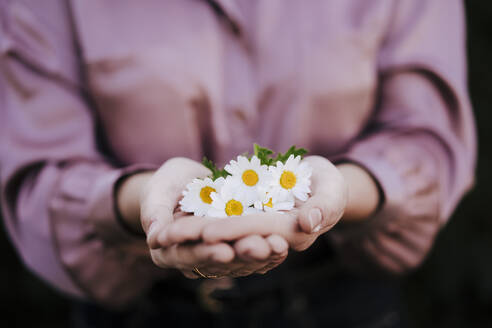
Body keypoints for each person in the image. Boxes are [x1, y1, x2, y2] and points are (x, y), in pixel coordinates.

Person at [0, 0, 475, 327]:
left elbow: (423, 142)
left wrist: (342, 190)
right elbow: (41, 174)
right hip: (141, 308)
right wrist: (139, 200)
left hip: (341, 299)